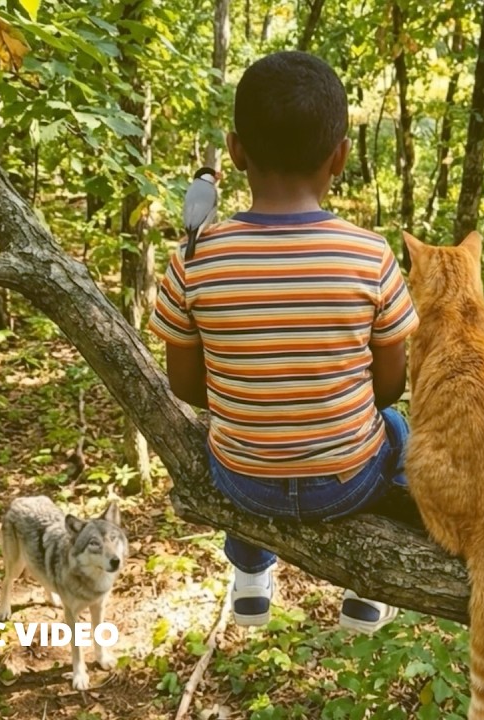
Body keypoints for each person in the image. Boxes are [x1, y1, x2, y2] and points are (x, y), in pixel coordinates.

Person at [148, 51, 418, 633]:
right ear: (341, 155)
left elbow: (186, 386)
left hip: (242, 485)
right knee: (399, 430)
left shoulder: (194, 261)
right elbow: (391, 386)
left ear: (237, 150)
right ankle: (366, 586)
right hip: (346, 485)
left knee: (236, 434)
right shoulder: (370, 256)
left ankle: (249, 572)